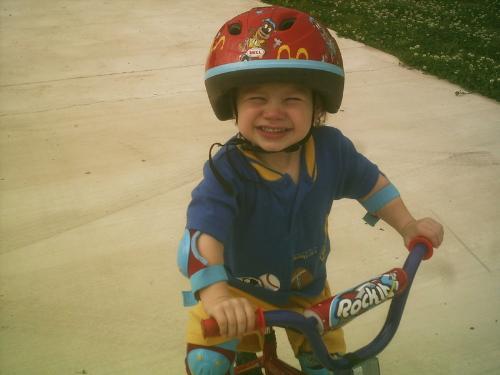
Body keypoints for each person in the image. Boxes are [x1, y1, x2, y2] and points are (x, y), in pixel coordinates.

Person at [177, 5, 444, 375]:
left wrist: (409, 226)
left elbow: (374, 186)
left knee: (327, 365)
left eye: (292, 99)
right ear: (232, 105)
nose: (274, 112)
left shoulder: (331, 151)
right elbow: (203, 233)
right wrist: (217, 295)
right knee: (206, 364)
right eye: (257, 98)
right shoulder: (228, 171)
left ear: (317, 106)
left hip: (308, 289)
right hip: (236, 291)